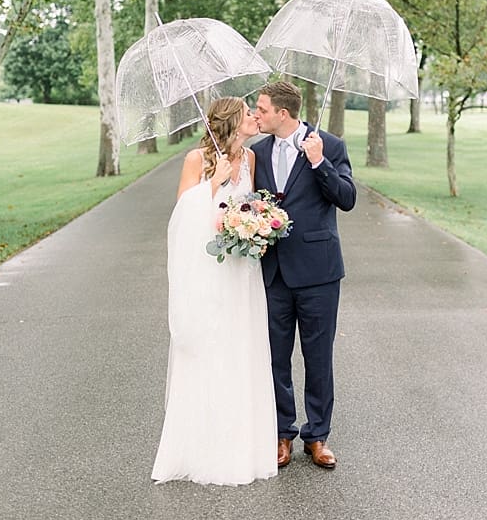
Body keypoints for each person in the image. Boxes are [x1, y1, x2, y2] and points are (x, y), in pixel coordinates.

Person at [152, 96, 276, 486]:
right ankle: (202, 446)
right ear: (231, 121)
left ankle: (243, 445)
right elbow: (182, 218)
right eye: (248, 114)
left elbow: (249, 205)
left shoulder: (253, 160)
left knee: (243, 346)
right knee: (211, 344)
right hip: (211, 268)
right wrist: (216, 182)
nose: (255, 118)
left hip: (243, 269)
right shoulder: (197, 159)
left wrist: (258, 221)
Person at [252, 80, 356, 471]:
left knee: (318, 357)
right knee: (275, 358)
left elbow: (346, 199)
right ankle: (282, 434)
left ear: (283, 112)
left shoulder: (328, 144)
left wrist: (318, 162)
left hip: (318, 271)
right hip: (273, 270)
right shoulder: (256, 152)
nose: (256, 115)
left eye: (261, 109)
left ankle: (318, 436)